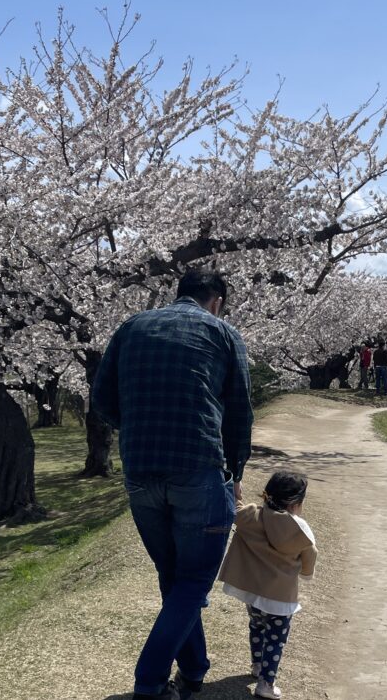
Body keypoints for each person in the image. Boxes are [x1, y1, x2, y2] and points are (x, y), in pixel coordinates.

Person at [91, 268, 254, 700]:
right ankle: (149, 682)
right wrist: (235, 472)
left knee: (174, 577)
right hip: (199, 468)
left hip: (140, 470)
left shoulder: (130, 327)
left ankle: (195, 669)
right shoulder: (221, 332)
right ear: (216, 299)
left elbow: (102, 399)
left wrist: (137, 430)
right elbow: (239, 411)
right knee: (194, 580)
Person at [219, 471, 317, 699]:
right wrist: (306, 573)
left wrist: (235, 486)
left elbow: (236, 509)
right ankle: (266, 684)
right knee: (275, 639)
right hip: (280, 596)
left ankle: (256, 666)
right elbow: (310, 554)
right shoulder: (299, 528)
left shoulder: (252, 515)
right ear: (296, 503)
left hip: (252, 590)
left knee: (256, 626)